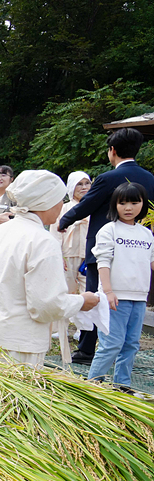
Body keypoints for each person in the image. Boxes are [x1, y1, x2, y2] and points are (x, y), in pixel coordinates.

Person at [0, 170, 99, 368]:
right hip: (14, 345)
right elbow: (46, 305)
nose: (61, 205)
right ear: (46, 202)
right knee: (10, 399)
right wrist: (81, 301)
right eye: (59, 199)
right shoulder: (42, 240)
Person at [59, 128, 154, 364]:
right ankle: (123, 350)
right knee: (131, 301)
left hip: (103, 249)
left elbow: (86, 206)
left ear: (112, 151)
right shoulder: (150, 179)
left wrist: (63, 221)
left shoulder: (107, 178)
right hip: (138, 248)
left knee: (96, 295)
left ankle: (88, 350)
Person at [87, 183, 153, 390]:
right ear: (114, 204)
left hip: (139, 297)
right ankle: (92, 384)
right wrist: (108, 291)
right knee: (112, 344)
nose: (128, 207)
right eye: (122, 202)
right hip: (114, 297)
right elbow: (103, 262)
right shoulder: (109, 230)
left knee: (131, 344)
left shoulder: (146, 234)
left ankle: (122, 385)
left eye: (135, 202)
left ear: (143, 204)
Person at [51, 172, 91, 294]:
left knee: (89, 290)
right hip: (68, 255)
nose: (84, 187)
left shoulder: (94, 208)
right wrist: (59, 255)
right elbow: (55, 233)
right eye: (79, 184)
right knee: (67, 290)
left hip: (89, 255)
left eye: (87, 183)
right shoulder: (63, 208)